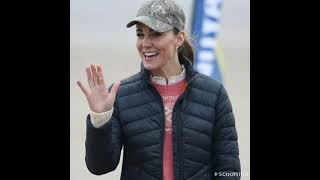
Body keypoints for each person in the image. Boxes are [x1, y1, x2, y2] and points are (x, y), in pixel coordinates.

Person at [77, 0, 241, 179]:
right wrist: (100, 119)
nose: (145, 43)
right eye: (140, 34)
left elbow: (228, 169)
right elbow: (100, 167)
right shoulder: (121, 95)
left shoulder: (214, 94)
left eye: (155, 34)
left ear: (179, 38)